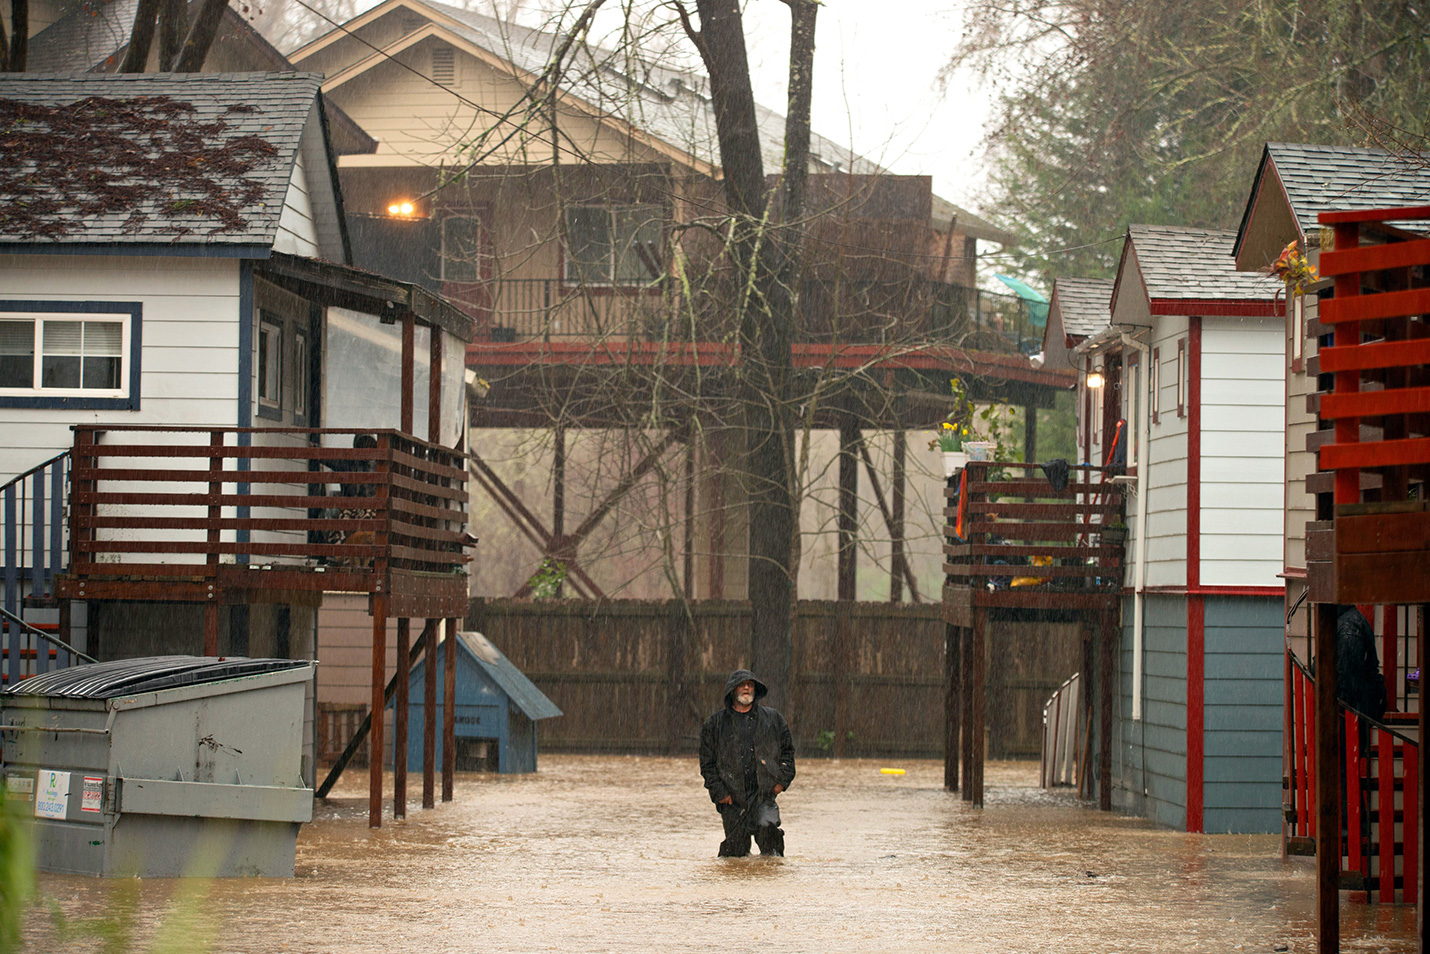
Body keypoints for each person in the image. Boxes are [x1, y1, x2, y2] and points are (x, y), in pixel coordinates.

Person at [698, 669, 795, 857]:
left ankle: (771, 886)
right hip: (732, 799)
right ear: (732, 690)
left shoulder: (773, 719)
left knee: (772, 850)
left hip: (764, 795)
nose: (746, 688)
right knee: (735, 856)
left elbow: (788, 754)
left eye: (750, 685)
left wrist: (782, 782)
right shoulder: (715, 724)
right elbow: (707, 764)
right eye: (742, 685)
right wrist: (720, 792)